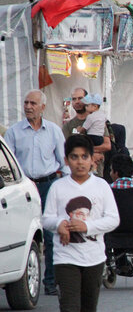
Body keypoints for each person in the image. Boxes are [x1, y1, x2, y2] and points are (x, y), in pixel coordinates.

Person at [41, 135, 119, 312]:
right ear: (66, 160)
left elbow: (113, 219)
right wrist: (60, 223)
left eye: (84, 157)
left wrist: (88, 227)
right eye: (74, 157)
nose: (79, 162)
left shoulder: (101, 187)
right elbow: (46, 218)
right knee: (70, 310)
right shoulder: (58, 187)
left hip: (94, 258)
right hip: (66, 258)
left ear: (92, 160)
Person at [4, 89, 67, 296]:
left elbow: (62, 161)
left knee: (50, 234)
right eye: (26, 102)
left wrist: (68, 186)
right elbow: (9, 164)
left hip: (48, 185)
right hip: (24, 189)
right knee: (26, 233)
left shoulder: (54, 131)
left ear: (43, 107)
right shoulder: (14, 132)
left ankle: (50, 281)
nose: (28, 107)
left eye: (33, 103)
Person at [62, 88, 112, 177]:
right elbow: (66, 149)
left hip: (96, 175)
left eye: (80, 98)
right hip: (75, 175)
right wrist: (91, 153)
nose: (77, 102)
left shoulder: (98, 121)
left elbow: (107, 145)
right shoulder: (68, 125)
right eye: (74, 99)